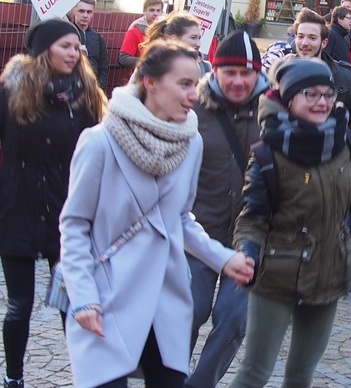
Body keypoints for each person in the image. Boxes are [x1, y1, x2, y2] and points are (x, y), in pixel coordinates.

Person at [59, 40, 254, 388]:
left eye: (195, 84)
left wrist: (223, 259)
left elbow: (179, 218)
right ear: (150, 82)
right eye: (183, 84)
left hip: (165, 301)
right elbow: (74, 227)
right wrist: (84, 295)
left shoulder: (190, 141)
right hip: (108, 295)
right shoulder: (99, 142)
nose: (194, 94)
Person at [230, 57, 351, 388]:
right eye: (311, 94)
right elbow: (252, 218)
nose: (322, 102)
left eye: (327, 94)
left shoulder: (344, 142)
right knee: (255, 372)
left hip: (328, 272)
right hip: (275, 276)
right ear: (290, 98)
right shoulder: (267, 152)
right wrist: (248, 253)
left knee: (301, 375)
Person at [0, 19, 107, 388]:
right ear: (44, 49)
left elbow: (102, 146)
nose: (74, 53)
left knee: (74, 299)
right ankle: (14, 377)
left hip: (68, 211)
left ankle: (86, 376)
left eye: (77, 47)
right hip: (18, 206)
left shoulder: (86, 92)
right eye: (65, 46)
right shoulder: (11, 91)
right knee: (19, 304)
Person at [187, 30, 270, 388]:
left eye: (246, 72)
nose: (238, 80)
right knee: (188, 311)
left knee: (234, 319)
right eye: (230, 71)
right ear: (215, 71)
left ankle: (200, 384)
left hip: (250, 237)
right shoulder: (191, 108)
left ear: (258, 73)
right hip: (197, 233)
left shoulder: (277, 110)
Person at [292, 7, 351, 157]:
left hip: (333, 163)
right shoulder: (282, 73)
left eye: (312, 38)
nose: (304, 43)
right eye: (300, 36)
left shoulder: (344, 75)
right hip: (293, 162)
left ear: (324, 42)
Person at [143, 11, 210, 76]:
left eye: (199, 38)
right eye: (193, 37)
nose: (198, 44)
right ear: (174, 39)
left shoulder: (206, 68)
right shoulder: (151, 66)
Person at [69, 0, 109, 90]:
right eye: (81, 11)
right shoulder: (66, 35)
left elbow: (103, 68)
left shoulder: (98, 39)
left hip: (92, 89)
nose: (85, 15)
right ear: (74, 11)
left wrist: (99, 89)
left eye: (89, 12)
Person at [119, 0, 164, 68]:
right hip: (141, 75)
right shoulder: (135, 31)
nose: (155, 13)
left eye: (158, 10)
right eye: (151, 10)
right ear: (144, 11)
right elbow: (123, 59)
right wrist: (147, 62)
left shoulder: (166, 30)